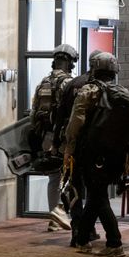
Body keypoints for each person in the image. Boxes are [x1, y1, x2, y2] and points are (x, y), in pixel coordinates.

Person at [63, 52, 129, 257]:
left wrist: (69, 148)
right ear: (114, 71)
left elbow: (75, 124)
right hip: (116, 156)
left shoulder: (88, 91)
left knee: (98, 196)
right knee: (96, 195)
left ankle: (114, 242)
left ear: (94, 69)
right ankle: (83, 239)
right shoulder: (122, 92)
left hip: (92, 154)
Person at [53, 50, 103, 247]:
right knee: (94, 189)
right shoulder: (102, 86)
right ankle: (87, 230)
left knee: (73, 188)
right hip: (94, 147)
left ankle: (77, 230)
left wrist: (57, 143)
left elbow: (60, 115)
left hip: (72, 145)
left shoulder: (74, 84)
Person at [30, 43, 78, 232]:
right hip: (64, 136)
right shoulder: (68, 83)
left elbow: (34, 112)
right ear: (70, 64)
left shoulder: (43, 82)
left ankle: (54, 217)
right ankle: (64, 215)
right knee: (71, 176)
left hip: (46, 135)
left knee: (53, 176)